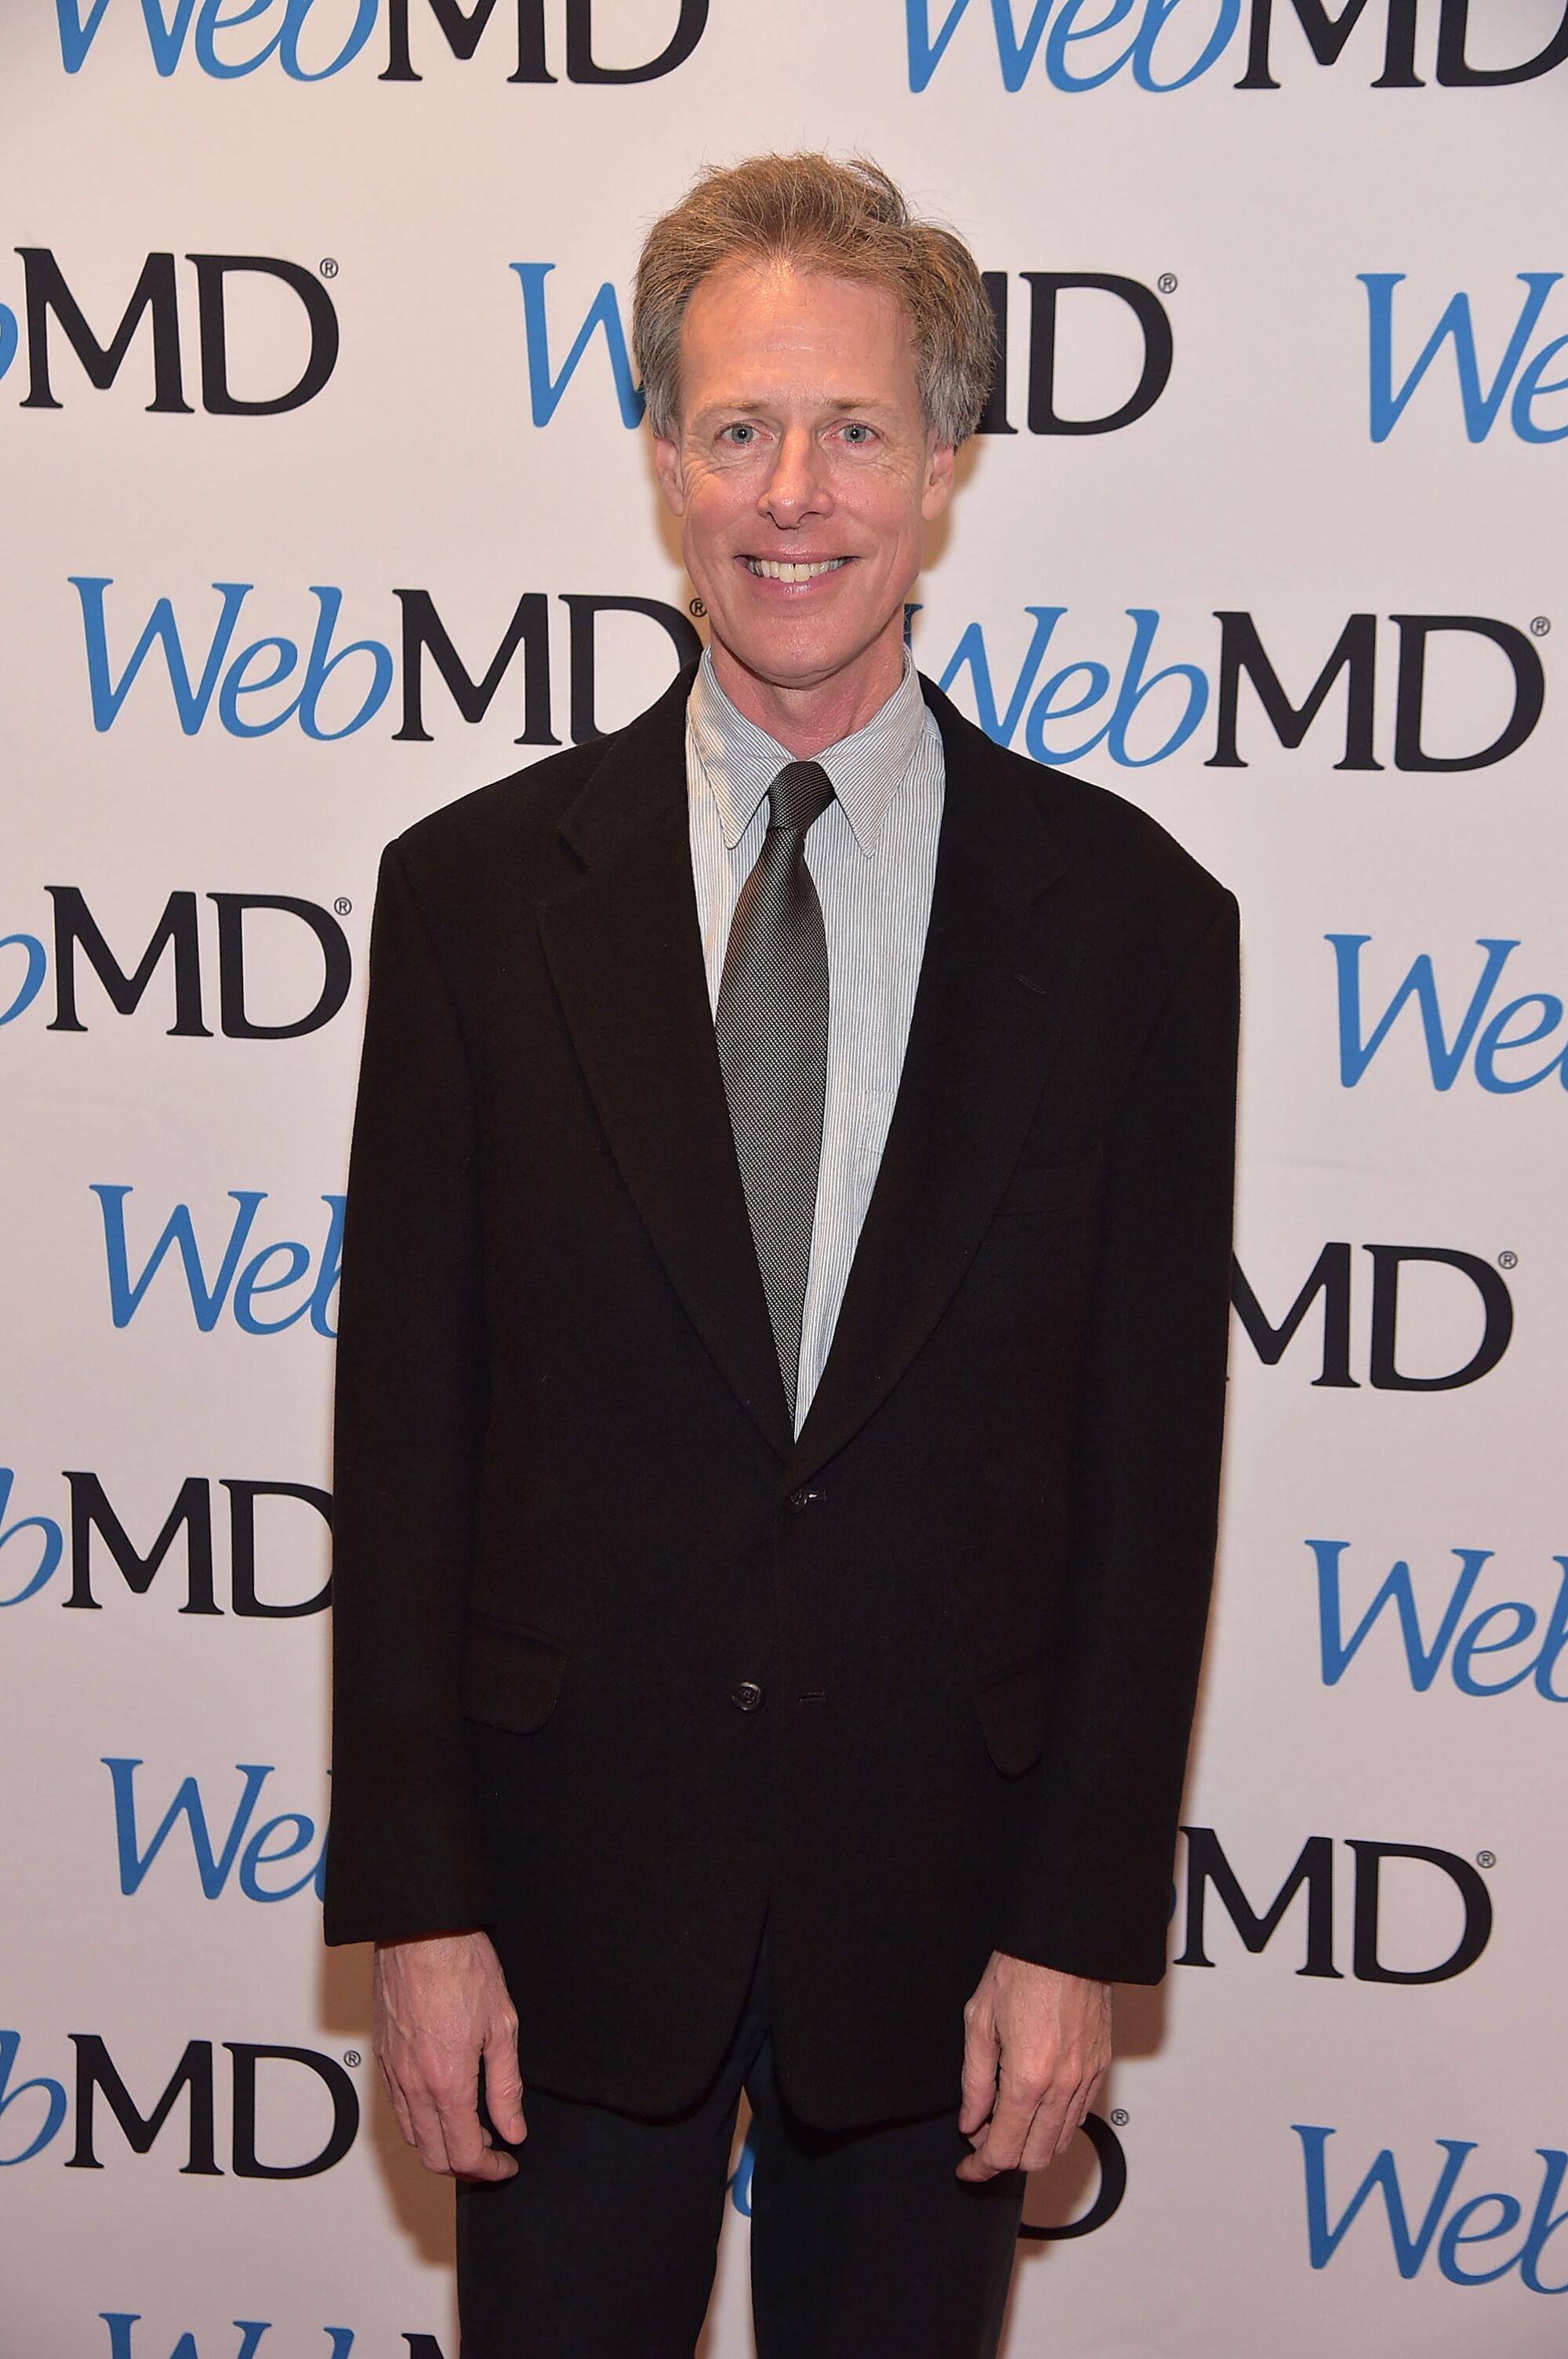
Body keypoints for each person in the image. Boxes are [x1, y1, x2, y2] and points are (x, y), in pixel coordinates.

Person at [324, 152, 1239, 2359]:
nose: (792, 491)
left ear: (944, 461)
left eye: (850, 429)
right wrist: (418, 1913)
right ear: (659, 459)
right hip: (557, 1912)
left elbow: (1148, 1484)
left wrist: (1077, 1929)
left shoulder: (1133, 928)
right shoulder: (468, 901)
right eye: (736, 427)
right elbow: (408, 1437)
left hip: (948, 1923)